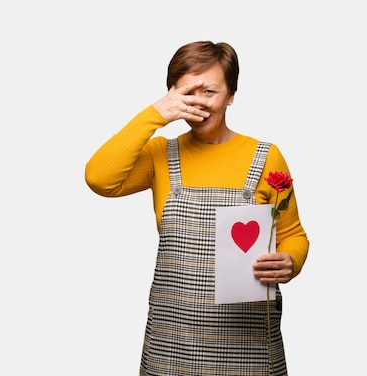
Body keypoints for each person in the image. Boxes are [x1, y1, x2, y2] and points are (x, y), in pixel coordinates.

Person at [85, 40, 309, 375]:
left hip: (248, 343)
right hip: (171, 341)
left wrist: (290, 261)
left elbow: (292, 233)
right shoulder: (160, 155)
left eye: (209, 91)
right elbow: (99, 178)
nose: (199, 103)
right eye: (187, 92)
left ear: (231, 95)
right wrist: (155, 114)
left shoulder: (266, 156)